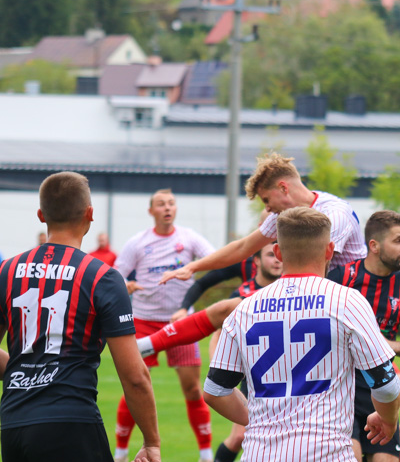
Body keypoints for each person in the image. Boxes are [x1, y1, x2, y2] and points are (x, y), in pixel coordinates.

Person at [203, 207, 400, 462]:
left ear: (278, 252)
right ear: (330, 250)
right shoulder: (347, 301)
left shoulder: (244, 310)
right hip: (329, 460)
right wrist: (388, 419)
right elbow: (386, 385)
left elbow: (216, 391)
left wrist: (263, 421)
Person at [135, 153, 367, 361]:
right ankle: (145, 346)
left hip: (347, 298)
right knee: (229, 308)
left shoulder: (333, 214)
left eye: (266, 200)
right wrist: (193, 267)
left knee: (236, 311)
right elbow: (243, 247)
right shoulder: (287, 215)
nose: (267, 208)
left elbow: (318, 270)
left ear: (284, 188)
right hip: (319, 293)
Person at [0, 172, 161, 462]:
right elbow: (135, 375)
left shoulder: (7, 271)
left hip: (13, 426)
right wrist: (151, 441)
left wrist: (22, 371)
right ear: (90, 214)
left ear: (41, 215)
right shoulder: (102, 277)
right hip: (71, 423)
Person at [112, 189, 216, 462]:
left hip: (179, 323)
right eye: (161, 204)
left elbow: (215, 260)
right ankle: (120, 455)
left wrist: (195, 270)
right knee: (134, 384)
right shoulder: (138, 242)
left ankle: (207, 459)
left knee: (193, 389)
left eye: (171, 203)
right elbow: (115, 274)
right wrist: (127, 285)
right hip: (144, 321)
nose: (167, 208)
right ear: (151, 211)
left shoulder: (189, 238)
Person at [327, 210, 400, 462]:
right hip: (339, 387)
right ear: (374, 246)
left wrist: (381, 345)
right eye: (398, 241)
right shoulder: (340, 279)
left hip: (381, 387)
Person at [208, 243, 282, 462]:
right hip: (254, 378)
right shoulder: (241, 296)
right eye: (270, 255)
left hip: (287, 377)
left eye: (278, 255)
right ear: (256, 261)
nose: (277, 260)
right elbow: (218, 335)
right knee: (240, 435)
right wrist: (218, 367)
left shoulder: (289, 291)